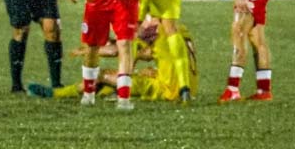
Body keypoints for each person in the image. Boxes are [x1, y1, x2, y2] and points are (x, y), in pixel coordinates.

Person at [29, 17, 199, 102]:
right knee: (144, 72)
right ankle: (108, 91)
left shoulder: (149, 30)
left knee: (102, 75)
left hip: (168, 90)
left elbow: (118, 51)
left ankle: (56, 93)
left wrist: (90, 50)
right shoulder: (173, 27)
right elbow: (144, 52)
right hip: (190, 87)